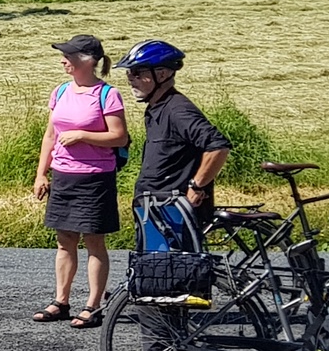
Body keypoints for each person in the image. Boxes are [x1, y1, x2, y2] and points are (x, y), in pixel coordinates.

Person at [32, 35, 128, 328]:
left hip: (95, 178)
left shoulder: (107, 95)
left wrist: (83, 136)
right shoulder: (60, 92)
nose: (63, 60)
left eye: (68, 56)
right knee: (65, 241)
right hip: (63, 176)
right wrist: (41, 173)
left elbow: (119, 136)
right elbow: (50, 135)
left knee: (94, 242)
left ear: (87, 61)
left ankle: (93, 305)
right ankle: (61, 302)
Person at [123, 39, 230, 237]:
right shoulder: (156, 108)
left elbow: (218, 146)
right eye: (128, 72)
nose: (130, 78)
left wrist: (197, 186)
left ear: (162, 74)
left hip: (174, 210)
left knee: (174, 266)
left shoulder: (178, 110)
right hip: (155, 206)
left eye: (137, 72)